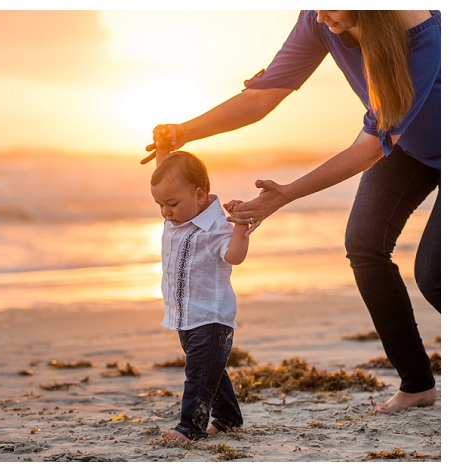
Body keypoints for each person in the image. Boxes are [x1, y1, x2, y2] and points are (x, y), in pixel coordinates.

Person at [144, 10, 440, 414]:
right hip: (408, 149)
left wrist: (285, 194)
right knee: (364, 245)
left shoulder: (425, 37)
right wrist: (183, 131)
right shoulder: (321, 20)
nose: (320, 13)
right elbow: (261, 97)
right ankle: (418, 384)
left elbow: (367, 147)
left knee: (435, 275)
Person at [150, 142, 250, 441]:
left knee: (198, 376)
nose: (166, 212)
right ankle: (229, 417)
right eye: (160, 206)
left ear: (199, 194)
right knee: (211, 373)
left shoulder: (217, 226)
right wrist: (163, 146)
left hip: (211, 317)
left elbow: (234, 256)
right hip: (184, 316)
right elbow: (168, 173)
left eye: (172, 204)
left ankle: (190, 426)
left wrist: (241, 225)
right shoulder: (179, 215)